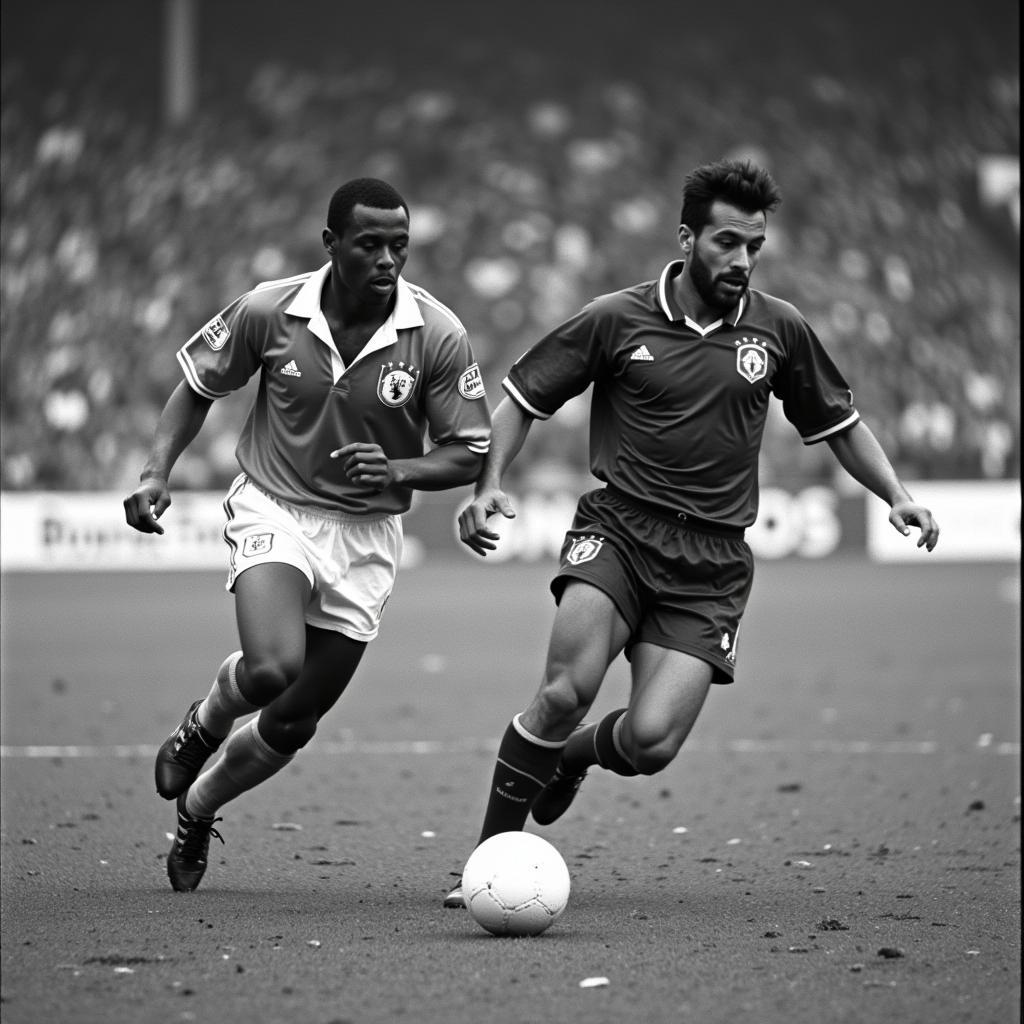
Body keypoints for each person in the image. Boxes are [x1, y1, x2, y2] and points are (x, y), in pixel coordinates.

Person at [442, 158, 939, 908]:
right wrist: (489, 486)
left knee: (650, 745)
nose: (742, 261)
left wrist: (897, 495)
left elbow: (839, 423)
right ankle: (487, 862)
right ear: (686, 238)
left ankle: (573, 757)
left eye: (754, 247)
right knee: (563, 690)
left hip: (711, 563)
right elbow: (519, 399)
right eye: (727, 243)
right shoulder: (616, 317)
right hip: (620, 529)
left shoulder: (780, 329)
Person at [123, 177, 491, 893]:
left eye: (400, 246)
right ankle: (203, 725)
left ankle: (198, 812)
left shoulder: (437, 334)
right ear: (332, 244)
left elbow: (470, 448)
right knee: (270, 670)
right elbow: (198, 386)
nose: (388, 260)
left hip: (368, 536)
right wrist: (154, 471)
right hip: (275, 507)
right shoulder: (270, 307)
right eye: (371, 244)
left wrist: (400, 465)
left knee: (293, 721)